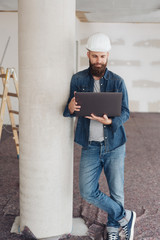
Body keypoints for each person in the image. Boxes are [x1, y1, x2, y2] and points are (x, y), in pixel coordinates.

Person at [63, 33, 136, 240]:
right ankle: (125, 217)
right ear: (88, 55)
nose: (98, 61)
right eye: (95, 56)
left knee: (116, 192)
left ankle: (113, 227)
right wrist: (69, 107)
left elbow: (125, 112)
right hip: (90, 146)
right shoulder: (77, 79)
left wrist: (111, 122)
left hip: (114, 145)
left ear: (107, 56)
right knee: (87, 191)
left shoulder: (117, 81)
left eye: (102, 57)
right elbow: (69, 109)